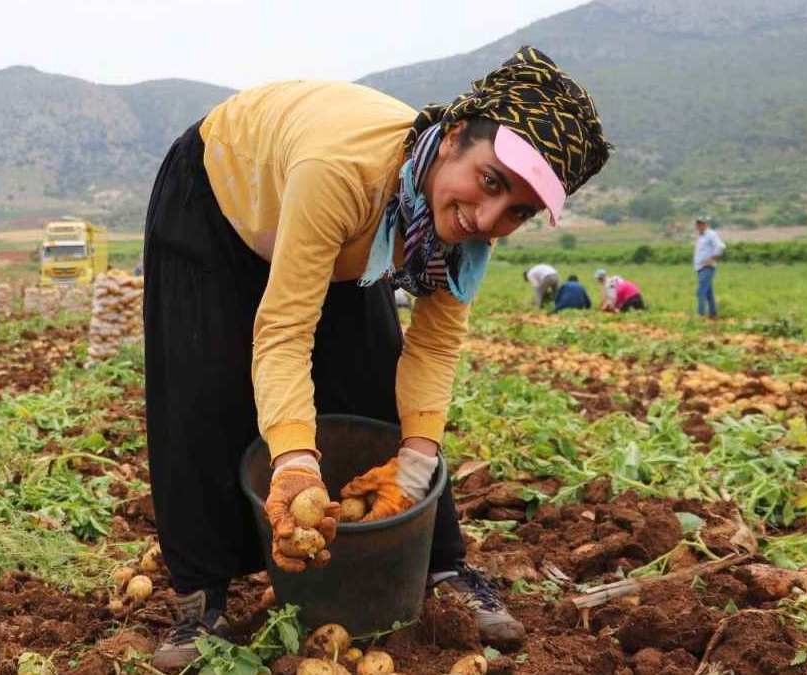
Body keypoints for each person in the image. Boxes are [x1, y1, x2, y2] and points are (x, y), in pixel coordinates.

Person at [142, 46, 610, 669]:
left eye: (517, 211)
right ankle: (201, 597)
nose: (488, 218)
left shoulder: (456, 230)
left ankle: (442, 568)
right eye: (491, 182)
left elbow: (435, 345)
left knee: (377, 380)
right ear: (449, 140)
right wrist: (296, 464)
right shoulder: (343, 170)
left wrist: (416, 463)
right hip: (220, 199)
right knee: (203, 388)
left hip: (341, 220)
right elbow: (284, 330)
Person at [693, 216, 725, 318]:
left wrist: (712, 259)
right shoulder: (701, 236)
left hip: (707, 268)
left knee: (700, 291)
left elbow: (721, 246)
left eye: (701, 223)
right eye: (698, 224)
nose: (699, 225)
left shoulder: (711, 234)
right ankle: (713, 314)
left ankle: (700, 314)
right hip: (700, 268)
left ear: (706, 224)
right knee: (709, 293)